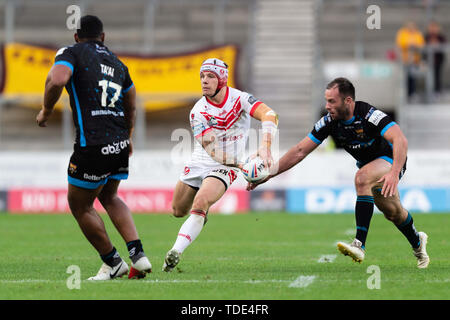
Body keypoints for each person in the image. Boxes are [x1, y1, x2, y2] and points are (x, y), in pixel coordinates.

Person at [247, 77, 430, 269]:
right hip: (370, 166)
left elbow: (400, 139)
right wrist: (267, 175)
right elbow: (300, 151)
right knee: (394, 213)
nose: (327, 106)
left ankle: (359, 244)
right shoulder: (328, 122)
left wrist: (394, 172)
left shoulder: (369, 114)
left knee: (362, 179)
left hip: (391, 160)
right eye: (326, 101)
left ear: (348, 101)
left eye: (332, 101)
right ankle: (418, 242)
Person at [36, 15, 152, 280]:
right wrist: (129, 136)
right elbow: (131, 102)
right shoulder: (118, 63)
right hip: (120, 143)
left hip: (93, 145)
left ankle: (113, 262)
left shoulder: (70, 52)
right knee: (109, 196)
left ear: (77, 37)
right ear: (103, 37)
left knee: (79, 205)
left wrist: (46, 110)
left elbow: (57, 79)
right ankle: (139, 255)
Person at [162, 58, 278, 272]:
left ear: (222, 80)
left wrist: (265, 146)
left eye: (210, 76)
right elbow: (213, 151)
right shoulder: (198, 111)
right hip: (203, 160)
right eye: (202, 77)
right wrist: (243, 163)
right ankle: (200, 218)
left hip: (226, 167)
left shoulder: (240, 99)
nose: (204, 81)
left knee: (201, 202)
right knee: (178, 210)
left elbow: (269, 114)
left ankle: (174, 252)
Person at [396, 21, 425, 101]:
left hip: (415, 60)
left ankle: (412, 93)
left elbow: (421, 44)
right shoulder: (402, 33)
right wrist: (408, 44)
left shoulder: (417, 34)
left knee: (413, 77)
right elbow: (400, 43)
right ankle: (405, 94)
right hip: (405, 60)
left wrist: (414, 45)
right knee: (405, 78)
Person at [424, 21, 446, 98]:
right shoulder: (426, 37)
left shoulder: (441, 37)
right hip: (429, 60)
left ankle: (437, 91)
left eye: (434, 28)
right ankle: (429, 91)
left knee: (437, 75)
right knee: (429, 76)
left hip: (438, 60)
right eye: (431, 27)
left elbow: (444, 46)